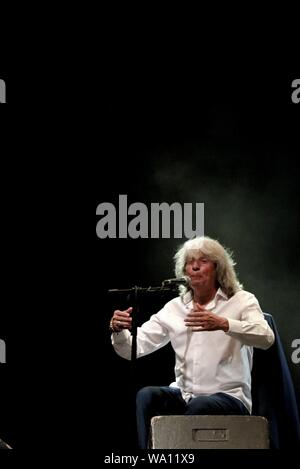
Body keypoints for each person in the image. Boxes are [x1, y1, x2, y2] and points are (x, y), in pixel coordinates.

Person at [109, 236, 275, 449]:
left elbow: (266, 337)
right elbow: (134, 348)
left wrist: (224, 324)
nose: (195, 266)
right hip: (186, 396)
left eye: (203, 260)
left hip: (230, 397)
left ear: (218, 268)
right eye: (190, 261)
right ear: (184, 271)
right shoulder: (174, 308)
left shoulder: (242, 300)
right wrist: (119, 331)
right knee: (147, 396)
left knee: (201, 404)